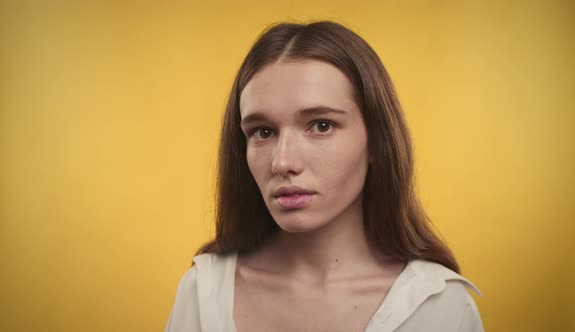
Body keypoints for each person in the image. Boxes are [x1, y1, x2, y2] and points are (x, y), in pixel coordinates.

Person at [165, 20, 484, 332]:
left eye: (321, 125)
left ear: (376, 141)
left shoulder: (439, 307)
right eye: (263, 131)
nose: (282, 161)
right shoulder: (203, 294)